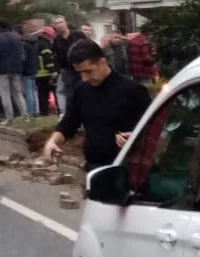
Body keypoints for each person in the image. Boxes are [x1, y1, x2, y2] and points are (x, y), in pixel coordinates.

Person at [41, 36, 151, 170]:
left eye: (88, 71)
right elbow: (70, 122)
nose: (85, 78)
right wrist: (53, 141)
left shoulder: (133, 91)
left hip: (125, 168)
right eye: (80, 73)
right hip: (93, 166)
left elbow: (151, 130)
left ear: (102, 62)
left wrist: (134, 138)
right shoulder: (81, 90)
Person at [0, 20, 28, 120]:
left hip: (2, 70)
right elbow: (22, 56)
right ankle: (25, 116)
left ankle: (9, 118)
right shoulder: (17, 37)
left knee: (5, 95)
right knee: (18, 93)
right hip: (16, 69)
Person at [51, 16, 86, 116]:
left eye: (61, 22)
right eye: (57, 23)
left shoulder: (78, 35)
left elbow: (87, 48)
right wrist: (58, 70)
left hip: (81, 69)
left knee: (83, 93)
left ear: (66, 23)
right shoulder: (57, 40)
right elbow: (56, 56)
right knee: (70, 95)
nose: (59, 25)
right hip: (67, 71)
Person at [17, 23, 40, 117]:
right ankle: (35, 111)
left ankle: (30, 113)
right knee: (33, 92)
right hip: (34, 69)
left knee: (28, 92)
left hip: (26, 70)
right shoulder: (33, 42)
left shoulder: (23, 44)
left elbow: (23, 58)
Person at [35, 27, 58, 115]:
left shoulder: (37, 44)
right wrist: (53, 71)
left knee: (42, 96)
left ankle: (43, 113)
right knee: (54, 93)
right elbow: (48, 58)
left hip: (39, 74)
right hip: (47, 74)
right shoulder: (46, 45)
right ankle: (58, 111)